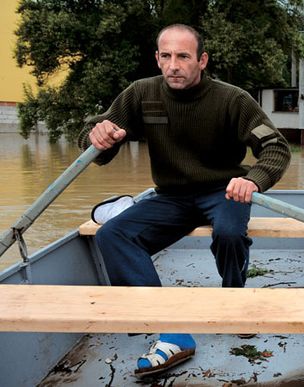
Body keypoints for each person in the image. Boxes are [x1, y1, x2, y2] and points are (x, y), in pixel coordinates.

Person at [81, 24, 291, 377]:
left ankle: (234, 298)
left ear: (202, 60)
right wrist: (98, 135)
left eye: (183, 56)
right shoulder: (141, 94)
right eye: (166, 56)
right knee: (111, 235)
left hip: (224, 190)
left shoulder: (232, 99)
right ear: (157, 58)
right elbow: (97, 150)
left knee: (228, 233)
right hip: (171, 196)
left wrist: (252, 180)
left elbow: (275, 147)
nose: (173, 65)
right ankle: (171, 327)